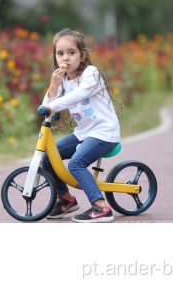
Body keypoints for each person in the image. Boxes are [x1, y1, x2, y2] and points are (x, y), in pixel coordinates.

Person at [40, 28, 124, 223]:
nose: (66, 58)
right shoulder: (62, 81)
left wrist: (50, 106)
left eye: (72, 52)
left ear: (82, 55)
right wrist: (53, 85)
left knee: (76, 163)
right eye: (60, 53)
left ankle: (101, 208)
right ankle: (66, 199)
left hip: (104, 133)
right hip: (84, 133)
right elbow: (46, 106)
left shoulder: (90, 74)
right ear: (55, 57)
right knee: (49, 157)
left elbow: (78, 95)